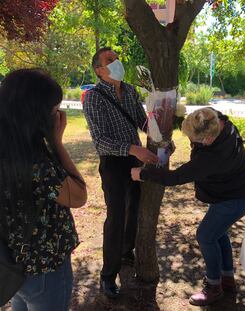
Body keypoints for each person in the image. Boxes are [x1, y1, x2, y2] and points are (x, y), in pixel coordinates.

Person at [0, 69, 87, 311]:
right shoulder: (35, 165)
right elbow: (79, 195)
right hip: (44, 272)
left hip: (9, 268)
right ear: (35, 116)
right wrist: (57, 144)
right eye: (54, 111)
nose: (58, 117)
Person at [131, 108, 245, 306]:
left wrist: (143, 174)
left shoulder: (212, 157)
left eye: (194, 140)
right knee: (218, 233)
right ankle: (226, 280)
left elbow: (175, 177)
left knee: (206, 236)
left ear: (207, 140)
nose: (192, 142)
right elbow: (200, 120)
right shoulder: (219, 121)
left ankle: (214, 286)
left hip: (236, 197)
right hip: (236, 189)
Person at [83, 47, 158, 298]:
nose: (116, 63)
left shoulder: (130, 91)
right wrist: (133, 149)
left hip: (134, 161)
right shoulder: (93, 97)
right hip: (114, 164)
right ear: (99, 70)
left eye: (117, 59)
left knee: (134, 209)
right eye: (109, 60)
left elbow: (142, 121)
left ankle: (126, 252)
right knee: (115, 218)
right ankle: (108, 275)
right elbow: (100, 141)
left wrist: (159, 125)